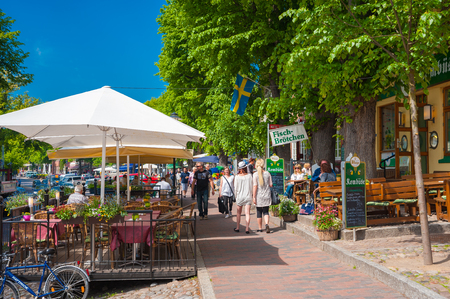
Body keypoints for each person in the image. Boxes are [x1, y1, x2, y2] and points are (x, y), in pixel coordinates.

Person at [252, 159, 273, 233]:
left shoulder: (255, 175)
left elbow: (255, 186)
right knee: (266, 211)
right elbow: (271, 185)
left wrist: (253, 197)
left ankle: (260, 228)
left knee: (259, 212)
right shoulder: (267, 173)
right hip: (267, 195)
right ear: (263, 165)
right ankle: (267, 224)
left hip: (259, 195)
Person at [234, 161, 253, 234]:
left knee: (238, 213)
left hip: (240, 196)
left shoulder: (237, 177)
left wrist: (236, 196)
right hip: (248, 196)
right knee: (247, 213)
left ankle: (238, 227)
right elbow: (251, 186)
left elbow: (236, 188)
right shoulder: (249, 176)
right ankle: (247, 228)